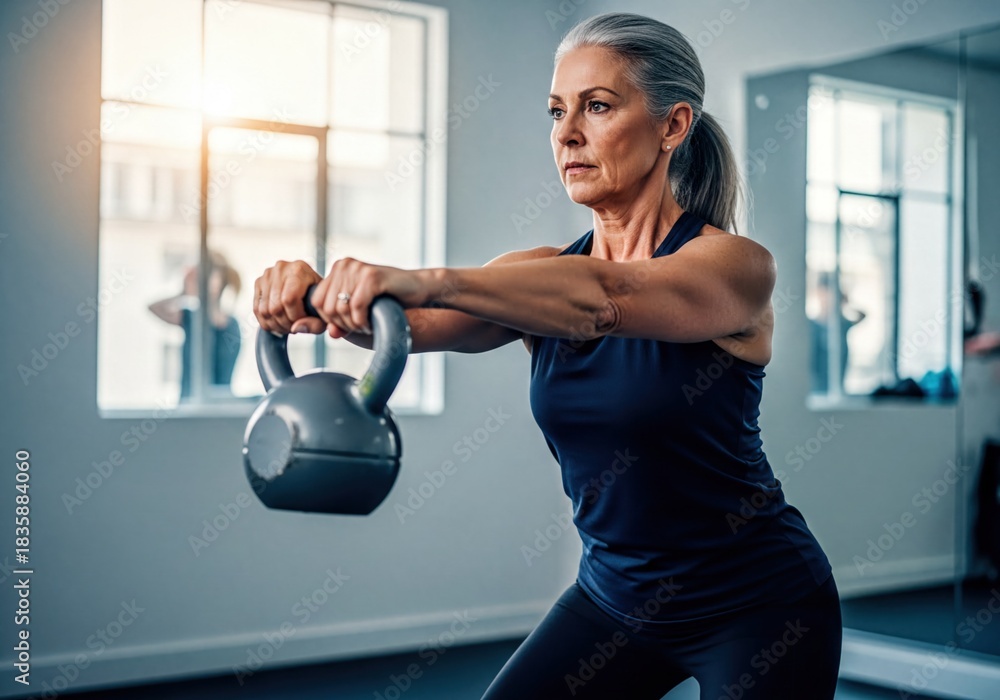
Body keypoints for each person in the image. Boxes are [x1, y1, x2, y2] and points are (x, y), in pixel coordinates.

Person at [253, 13, 841, 699]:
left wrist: (429, 276)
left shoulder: (734, 268)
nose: (566, 134)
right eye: (557, 111)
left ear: (672, 126)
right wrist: (314, 293)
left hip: (760, 603)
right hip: (614, 599)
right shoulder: (534, 276)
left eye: (597, 107)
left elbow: (605, 298)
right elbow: (408, 322)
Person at [149, 250, 242, 401]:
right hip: (187, 406)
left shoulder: (231, 326)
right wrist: (184, 292)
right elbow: (154, 307)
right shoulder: (190, 318)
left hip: (217, 408)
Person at [809, 271, 866, 394]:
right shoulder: (811, 325)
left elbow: (862, 315)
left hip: (837, 389)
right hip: (815, 392)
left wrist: (847, 302)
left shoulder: (842, 325)